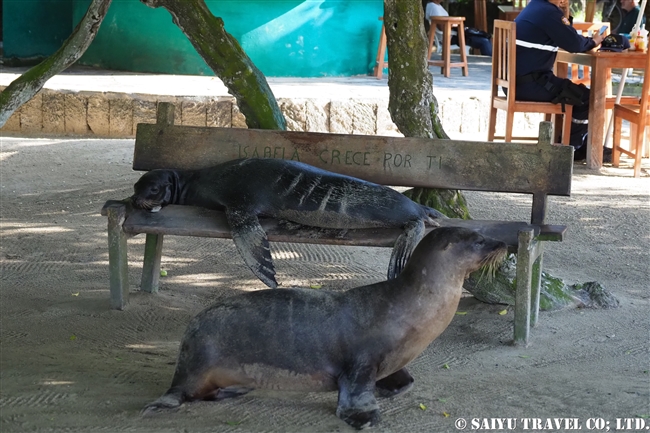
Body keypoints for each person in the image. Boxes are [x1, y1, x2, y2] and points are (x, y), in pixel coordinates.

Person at [514, 0, 608, 161]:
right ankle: (573, 149)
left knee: (572, 91)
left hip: (518, 83)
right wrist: (595, 41)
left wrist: (563, 12)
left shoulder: (534, 6)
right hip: (532, 84)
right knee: (586, 97)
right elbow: (574, 44)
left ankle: (569, 142)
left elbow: (564, 35)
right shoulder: (549, 12)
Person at [424, 0, 492, 56]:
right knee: (484, 41)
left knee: (485, 37)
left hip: (453, 35)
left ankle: (491, 61)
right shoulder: (433, 7)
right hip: (450, 37)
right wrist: (456, 25)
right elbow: (442, 27)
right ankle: (491, 64)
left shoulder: (436, 6)